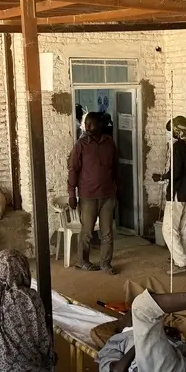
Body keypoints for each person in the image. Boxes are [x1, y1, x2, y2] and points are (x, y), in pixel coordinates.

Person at [67, 111, 119, 274]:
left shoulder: (109, 143)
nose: (87, 126)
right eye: (86, 123)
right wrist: (71, 194)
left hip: (108, 195)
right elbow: (73, 170)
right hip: (88, 196)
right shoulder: (81, 145)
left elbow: (116, 167)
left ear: (100, 125)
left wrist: (120, 188)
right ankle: (83, 261)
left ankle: (105, 264)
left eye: (91, 123)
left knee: (107, 232)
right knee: (87, 232)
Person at [153, 116, 186, 274]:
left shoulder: (178, 147)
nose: (169, 133)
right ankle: (180, 256)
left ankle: (182, 263)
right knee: (184, 228)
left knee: (168, 229)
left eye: (170, 130)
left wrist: (162, 177)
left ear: (176, 130)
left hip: (177, 193)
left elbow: (176, 172)